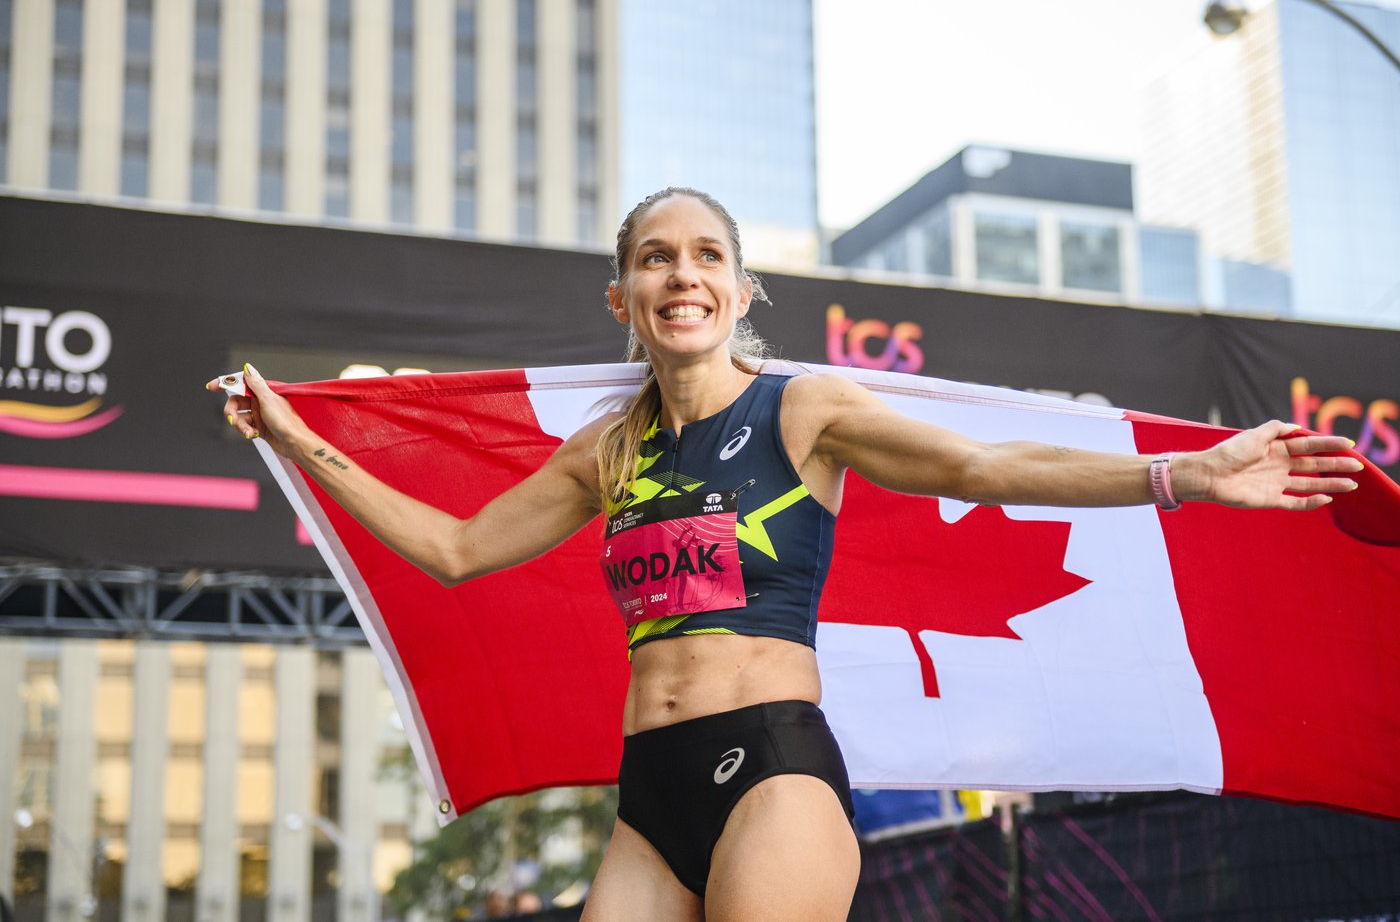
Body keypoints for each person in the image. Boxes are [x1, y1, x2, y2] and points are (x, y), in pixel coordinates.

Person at [209, 186, 1362, 922]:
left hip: (771, 771)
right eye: (655, 258)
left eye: (705, 254)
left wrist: (1181, 477)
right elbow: (456, 550)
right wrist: (300, 439)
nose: (681, 274)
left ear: (739, 288)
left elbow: (978, 469)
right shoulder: (605, 450)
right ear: (624, 295)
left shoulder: (802, 409)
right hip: (647, 793)